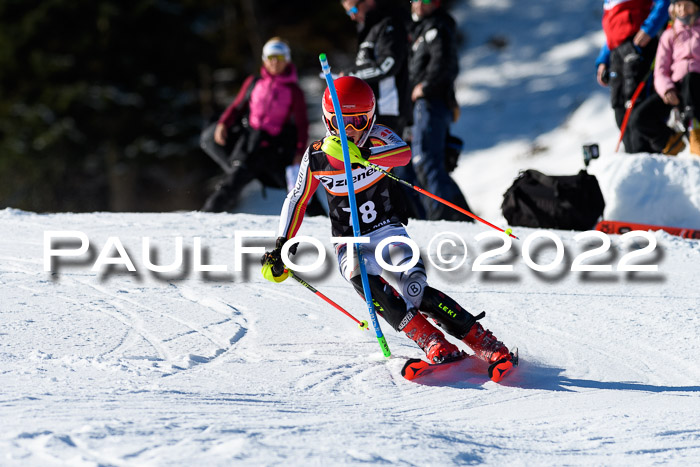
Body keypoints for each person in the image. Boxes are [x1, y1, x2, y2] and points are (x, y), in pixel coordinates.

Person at [260, 76, 514, 369]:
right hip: (350, 241)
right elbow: (297, 199)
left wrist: (366, 156)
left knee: (415, 290)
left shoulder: (379, 137)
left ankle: (483, 341)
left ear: (371, 118)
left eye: (357, 121)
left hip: (388, 231)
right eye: (341, 123)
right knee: (364, 282)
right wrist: (281, 245)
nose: (350, 131)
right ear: (327, 120)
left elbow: (404, 154)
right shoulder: (317, 157)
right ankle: (430, 340)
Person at [200, 37, 309, 213]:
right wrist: (223, 124)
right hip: (249, 145)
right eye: (271, 57)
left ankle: (323, 221)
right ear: (264, 60)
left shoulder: (294, 91)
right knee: (232, 182)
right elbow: (236, 106)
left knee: (299, 189)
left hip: (275, 150)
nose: (275, 62)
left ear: (287, 60)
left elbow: (302, 125)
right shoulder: (254, 82)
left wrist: (299, 153)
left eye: (280, 57)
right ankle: (206, 216)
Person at [403, 0, 472, 221]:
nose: (420, 5)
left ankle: (440, 219)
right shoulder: (420, 29)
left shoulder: (437, 27)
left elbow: (446, 63)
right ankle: (461, 217)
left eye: (427, 0)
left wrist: (426, 86)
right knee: (424, 164)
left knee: (426, 161)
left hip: (432, 102)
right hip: (421, 105)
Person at [595, 0, 670, 153]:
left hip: (637, 47)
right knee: (619, 107)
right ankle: (633, 157)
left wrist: (649, 29)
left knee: (636, 104)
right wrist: (603, 59)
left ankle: (650, 156)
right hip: (617, 53)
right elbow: (612, 32)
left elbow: (665, 3)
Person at [630, 0, 700, 156]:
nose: (682, 8)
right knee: (639, 117)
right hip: (677, 88)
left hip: (697, 85)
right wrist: (667, 89)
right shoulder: (669, 35)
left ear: (696, 6)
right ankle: (670, 141)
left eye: (687, 4)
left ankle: (696, 132)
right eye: (678, 4)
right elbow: (660, 70)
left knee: (691, 79)